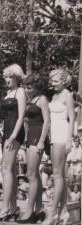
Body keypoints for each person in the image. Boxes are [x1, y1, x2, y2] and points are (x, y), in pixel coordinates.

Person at [42, 69, 75, 225]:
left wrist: (69, 140)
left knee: (57, 175)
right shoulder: (55, 95)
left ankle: (53, 212)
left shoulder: (68, 95)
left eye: (55, 81)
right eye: (52, 81)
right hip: (53, 136)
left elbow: (72, 119)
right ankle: (63, 212)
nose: (52, 83)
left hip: (62, 135)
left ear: (63, 80)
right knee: (60, 175)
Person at [17, 74, 50, 223]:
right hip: (30, 136)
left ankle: (29, 211)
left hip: (38, 136)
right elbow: (26, 121)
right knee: (34, 174)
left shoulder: (42, 99)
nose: (27, 89)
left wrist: (42, 141)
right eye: (25, 86)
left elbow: (47, 122)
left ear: (37, 86)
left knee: (31, 175)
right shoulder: (31, 100)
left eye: (29, 87)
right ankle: (38, 209)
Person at [0, 64, 26, 221]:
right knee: (10, 171)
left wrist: (13, 136)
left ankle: (5, 207)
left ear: (16, 77)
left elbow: (21, 116)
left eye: (10, 77)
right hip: (6, 131)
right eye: (6, 77)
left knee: (6, 169)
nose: (7, 80)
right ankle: (13, 207)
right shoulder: (8, 93)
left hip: (14, 132)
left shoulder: (20, 92)